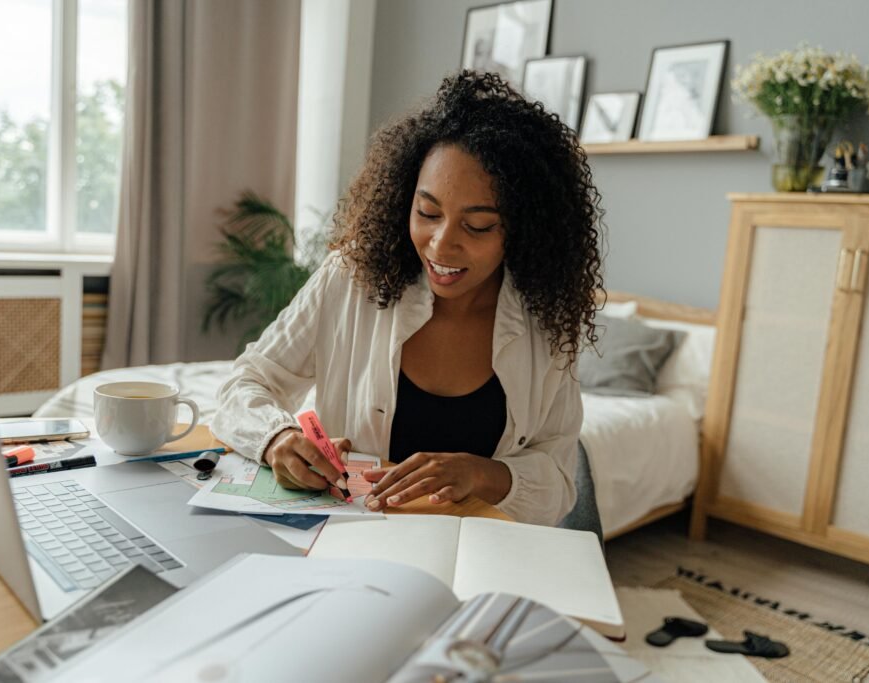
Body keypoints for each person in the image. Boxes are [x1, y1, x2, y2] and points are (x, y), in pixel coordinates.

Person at [211, 71, 604, 526]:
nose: (440, 244)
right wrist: (276, 437)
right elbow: (245, 383)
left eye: (477, 226)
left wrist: (481, 474)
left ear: (522, 232)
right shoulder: (350, 280)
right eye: (428, 212)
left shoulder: (547, 323)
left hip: (478, 552)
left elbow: (558, 482)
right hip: (348, 541)